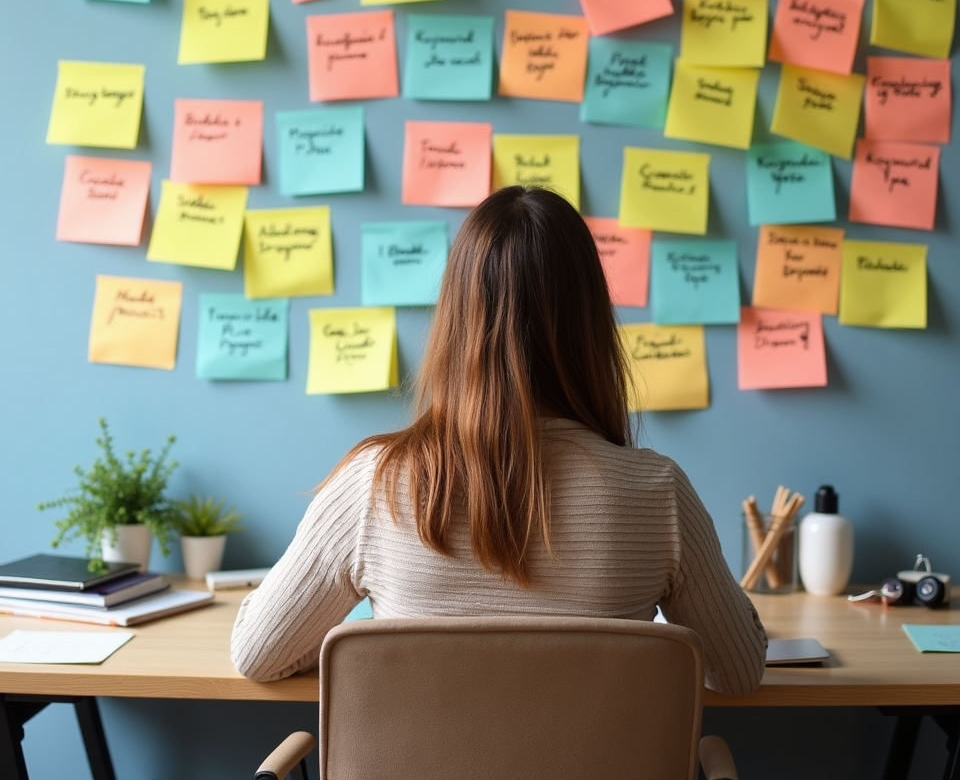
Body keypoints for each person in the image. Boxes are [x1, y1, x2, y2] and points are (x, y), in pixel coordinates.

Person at [231, 185, 767, 693]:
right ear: (591, 326)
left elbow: (259, 654)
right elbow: (738, 671)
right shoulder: (656, 492)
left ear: (456, 321)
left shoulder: (375, 483)